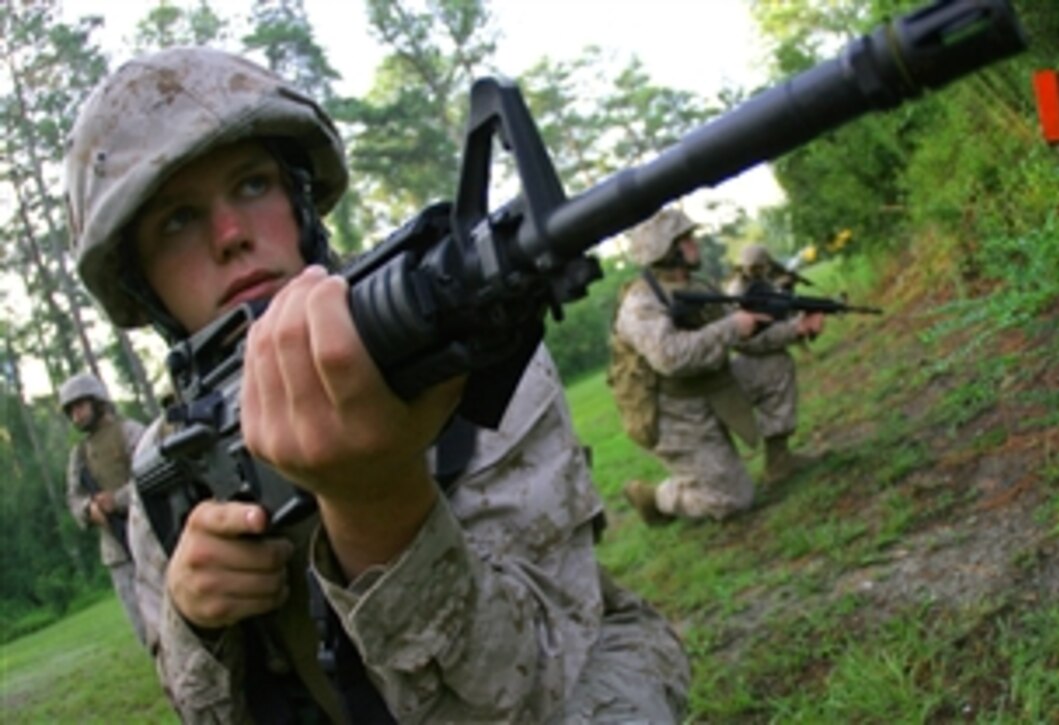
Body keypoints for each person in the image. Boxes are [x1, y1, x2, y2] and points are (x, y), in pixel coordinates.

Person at [63, 47, 689, 722]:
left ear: (299, 200)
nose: (230, 235)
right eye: (177, 220)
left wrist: (380, 504)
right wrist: (197, 620)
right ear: (142, 285)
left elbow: (536, 688)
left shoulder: (457, 341)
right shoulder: (170, 465)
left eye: (251, 184)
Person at [609, 209, 823, 527]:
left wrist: (795, 330)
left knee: (774, 365)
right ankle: (656, 498)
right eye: (686, 240)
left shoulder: (700, 286)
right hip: (673, 413)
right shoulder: (640, 303)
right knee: (733, 501)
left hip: (714, 386)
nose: (695, 244)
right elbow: (670, 357)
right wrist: (732, 328)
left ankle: (780, 463)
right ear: (666, 250)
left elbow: (747, 339)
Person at [61, 372, 148, 648]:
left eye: (80, 406)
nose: (76, 415)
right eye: (71, 410)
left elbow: (155, 474)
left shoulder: (131, 432)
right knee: (143, 628)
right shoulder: (79, 455)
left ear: (97, 402)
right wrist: (89, 510)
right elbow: (74, 498)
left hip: (151, 537)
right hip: (117, 552)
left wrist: (119, 499)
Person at [726, 243, 823, 483]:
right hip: (697, 395)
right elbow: (747, 341)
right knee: (728, 495)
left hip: (724, 372)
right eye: (754, 267)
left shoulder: (761, 285)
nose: (758, 271)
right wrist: (794, 329)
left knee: (777, 363)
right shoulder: (737, 293)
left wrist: (795, 320)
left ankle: (779, 461)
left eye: (761, 267)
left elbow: (774, 317)